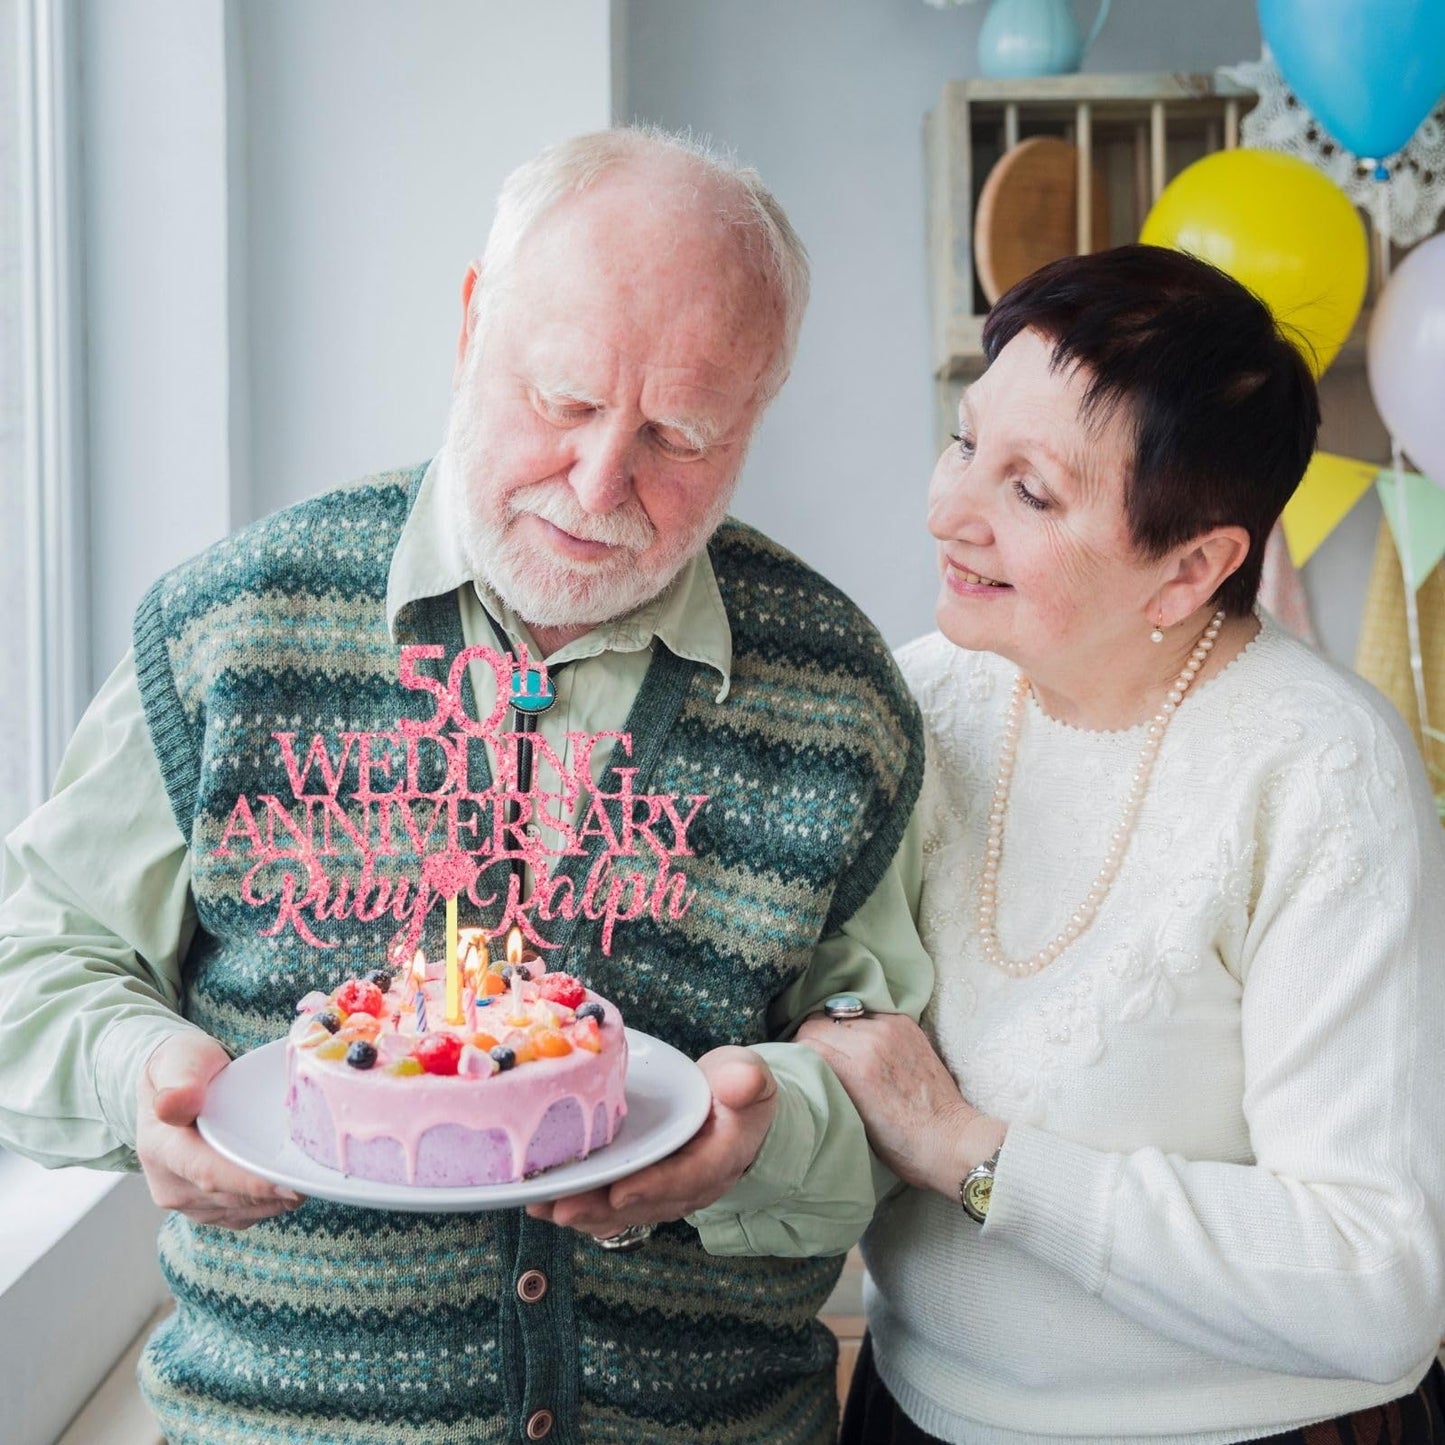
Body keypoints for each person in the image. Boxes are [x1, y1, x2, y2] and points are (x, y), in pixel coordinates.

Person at [0, 127, 933, 1445]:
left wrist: (761, 1138)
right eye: (561, 399)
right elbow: (34, 962)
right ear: (470, 324)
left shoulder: (838, 698)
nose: (601, 481)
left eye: (679, 433)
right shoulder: (232, 629)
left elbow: (898, 1101)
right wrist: (140, 1076)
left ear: (755, 420)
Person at [799, 245, 1445, 1444]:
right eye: (962, 442)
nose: (949, 511)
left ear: (1189, 567)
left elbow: (1377, 1283)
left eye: (1029, 491)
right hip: (914, 1413)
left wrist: (970, 1153)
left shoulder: (1317, 769)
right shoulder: (910, 697)